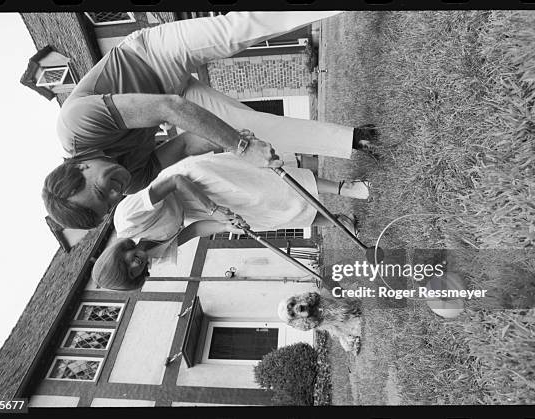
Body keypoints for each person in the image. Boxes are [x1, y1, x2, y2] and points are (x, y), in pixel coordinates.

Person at [44, 12, 380, 229]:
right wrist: (230, 142)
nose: (116, 194)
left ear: (80, 169)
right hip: (173, 100)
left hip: (151, 57)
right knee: (255, 128)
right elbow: (188, 142)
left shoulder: (75, 125)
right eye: (108, 204)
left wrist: (241, 145)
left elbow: (169, 108)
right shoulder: (130, 182)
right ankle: (356, 139)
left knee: (241, 29)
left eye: (102, 191)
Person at [92, 149, 372, 290]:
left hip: (194, 180)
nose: (136, 264)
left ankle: (345, 187)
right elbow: (193, 231)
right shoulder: (153, 254)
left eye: (126, 264)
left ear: (118, 254)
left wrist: (215, 210)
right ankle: (339, 221)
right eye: (133, 273)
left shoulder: (126, 218)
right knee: (265, 217)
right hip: (195, 208)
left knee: (269, 189)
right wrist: (228, 225)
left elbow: (174, 181)